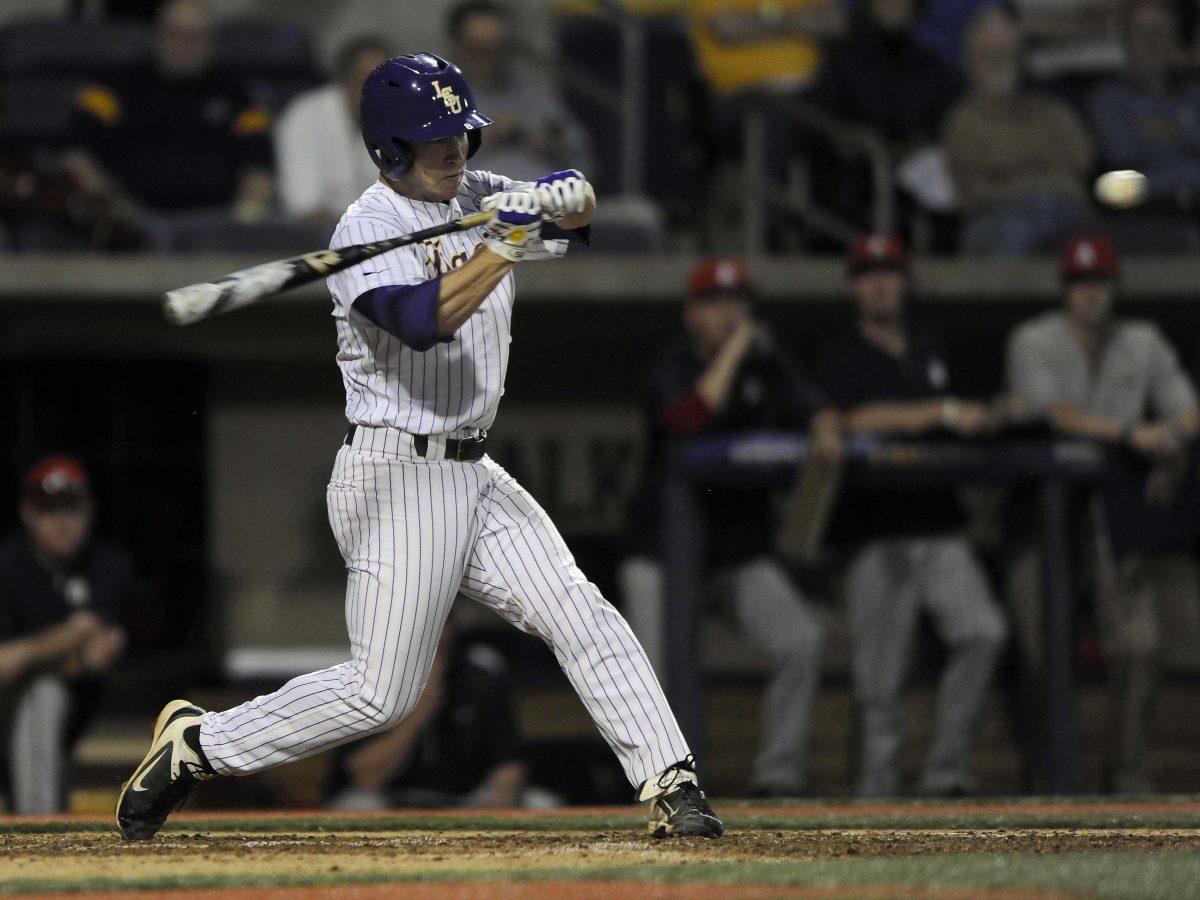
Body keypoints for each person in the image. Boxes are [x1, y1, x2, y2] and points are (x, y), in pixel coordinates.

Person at [116, 52, 722, 841]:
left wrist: (569, 197)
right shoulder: (364, 228)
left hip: (475, 470)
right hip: (396, 472)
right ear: (388, 149)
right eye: (435, 142)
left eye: (460, 136)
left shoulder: (474, 190)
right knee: (383, 694)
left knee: (580, 612)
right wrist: (500, 248)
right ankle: (200, 746)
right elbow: (422, 324)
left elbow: (580, 221)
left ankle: (671, 784)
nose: (456, 152)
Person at [620, 258, 835, 797]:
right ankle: (666, 793)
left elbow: (817, 409)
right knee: (656, 678)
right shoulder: (670, 365)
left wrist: (826, 426)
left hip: (733, 554)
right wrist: (738, 351)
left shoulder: (768, 366)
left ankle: (777, 778)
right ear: (692, 315)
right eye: (715, 303)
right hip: (662, 554)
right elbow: (688, 418)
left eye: (738, 303)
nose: (729, 315)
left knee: (801, 641)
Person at [1006, 234, 1200, 792]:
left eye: (1099, 283)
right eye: (1080, 284)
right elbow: (1053, 413)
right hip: (1039, 513)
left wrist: (1172, 442)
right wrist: (1130, 435)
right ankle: (1046, 783)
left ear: (1114, 287)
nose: (1091, 295)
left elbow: (1187, 409)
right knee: (1042, 654)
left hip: (1112, 514)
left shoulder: (1142, 340)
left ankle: (1127, 775)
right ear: (1066, 290)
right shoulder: (1034, 340)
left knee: (1140, 647)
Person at [817, 235, 1007, 797]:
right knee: (880, 683)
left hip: (939, 526)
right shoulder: (841, 355)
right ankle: (877, 797)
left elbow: (983, 410)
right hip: (874, 533)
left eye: (890, 273)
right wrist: (941, 412)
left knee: (983, 633)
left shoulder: (934, 350)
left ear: (904, 283)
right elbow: (853, 418)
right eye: (869, 274)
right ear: (854, 288)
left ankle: (945, 774)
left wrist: (990, 414)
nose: (880, 283)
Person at [62, 0, 274, 228]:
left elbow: (260, 167)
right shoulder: (113, 88)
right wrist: (110, 203)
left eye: (194, 37)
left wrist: (244, 221)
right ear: (157, 36)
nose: (183, 45)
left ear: (212, 42)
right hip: (129, 221)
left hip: (215, 223)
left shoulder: (239, 96)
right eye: (174, 34)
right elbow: (76, 155)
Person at [0, 457, 128, 813]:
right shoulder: (8, 565)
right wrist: (71, 635)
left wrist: (31, 655)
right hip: (9, 709)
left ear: (89, 510)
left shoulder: (108, 564)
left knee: (45, 693)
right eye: (48, 508)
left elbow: (104, 651)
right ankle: (37, 833)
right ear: (27, 512)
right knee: (42, 695)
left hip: (89, 705)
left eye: (71, 508)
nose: (61, 521)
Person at [326, 616, 528, 810]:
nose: (427, 637)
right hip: (392, 801)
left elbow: (508, 765)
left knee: (540, 803)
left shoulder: (479, 680)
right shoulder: (366, 681)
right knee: (357, 804)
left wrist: (500, 795)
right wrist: (421, 709)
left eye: (437, 624)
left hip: (464, 802)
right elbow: (366, 776)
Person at [942, 5, 1096, 255]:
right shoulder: (962, 121)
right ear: (970, 60)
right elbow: (972, 195)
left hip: (1063, 212)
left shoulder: (1053, 113)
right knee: (1015, 230)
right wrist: (1040, 179)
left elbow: (1078, 172)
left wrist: (1011, 177)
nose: (998, 61)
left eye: (1005, 54)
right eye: (989, 55)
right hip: (996, 222)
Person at [808, 0, 964, 226]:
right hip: (856, 177)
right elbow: (822, 124)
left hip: (917, 175)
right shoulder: (841, 60)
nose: (892, 4)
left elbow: (948, 120)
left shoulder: (932, 66)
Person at [1086, 0, 1200, 250]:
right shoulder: (1107, 98)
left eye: (1160, 32)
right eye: (1142, 33)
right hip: (1140, 203)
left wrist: (1161, 133)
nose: (1152, 43)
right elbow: (1121, 152)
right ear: (1127, 42)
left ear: (1173, 41)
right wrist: (1182, 137)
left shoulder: (1193, 95)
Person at [447, 1, 592, 181]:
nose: (490, 61)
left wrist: (552, 146)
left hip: (541, 194)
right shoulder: (436, 98)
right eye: (480, 50)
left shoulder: (533, 95)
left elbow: (581, 157)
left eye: (499, 50)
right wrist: (485, 138)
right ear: (458, 47)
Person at [275, 37, 392, 227]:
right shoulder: (304, 116)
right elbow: (304, 208)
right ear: (344, 81)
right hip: (321, 240)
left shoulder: (405, 117)